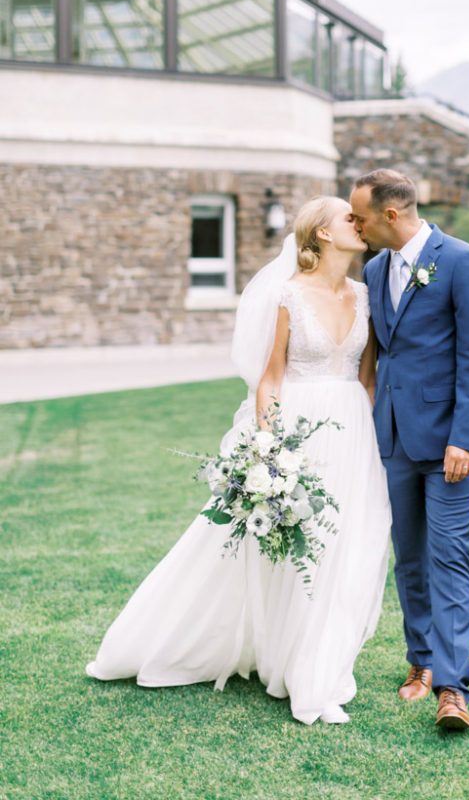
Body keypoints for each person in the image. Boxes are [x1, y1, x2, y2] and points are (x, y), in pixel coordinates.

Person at [86, 196, 391, 725]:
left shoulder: (365, 296)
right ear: (320, 233)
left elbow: (366, 379)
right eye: (348, 218)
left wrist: (369, 438)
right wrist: (269, 449)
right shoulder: (289, 296)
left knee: (349, 546)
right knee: (298, 547)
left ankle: (316, 664)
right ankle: (279, 660)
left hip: (354, 434)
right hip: (298, 428)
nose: (358, 223)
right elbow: (271, 378)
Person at [349, 169, 469, 731]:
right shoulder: (371, 267)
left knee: (448, 558)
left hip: (450, 446)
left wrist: (464, 436)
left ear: (390, 215)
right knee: (408, 557)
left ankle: (454, 688)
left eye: (359, 216)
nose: (354, 224)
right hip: (391, 438)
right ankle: (421, 665)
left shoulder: (463, 262)